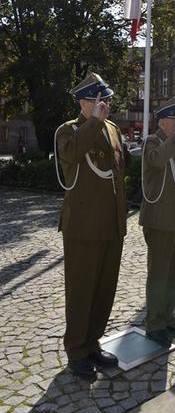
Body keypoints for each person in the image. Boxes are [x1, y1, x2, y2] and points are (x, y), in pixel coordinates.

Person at [55, 72, 127, 379]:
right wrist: (94, 122)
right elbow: (71, 154)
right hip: (83, 226)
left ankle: (93, 342)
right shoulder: (67, 130)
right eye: (101, 100)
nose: (106, 105)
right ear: (85, 102)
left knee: (103, 289)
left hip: (111, 223)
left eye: (108, 100)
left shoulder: (112, 129)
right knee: (82, 289)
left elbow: (118, 173)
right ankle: (76, 351)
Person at [139, 97, 175, 347]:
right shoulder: (153, 141)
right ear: (163, 122)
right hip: (159, 220)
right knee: (159, 274)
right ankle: (154, 323)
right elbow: (158, 160)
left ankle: (168, 317)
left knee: (173, 274)